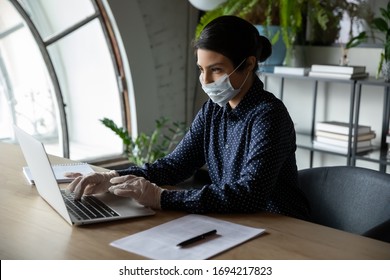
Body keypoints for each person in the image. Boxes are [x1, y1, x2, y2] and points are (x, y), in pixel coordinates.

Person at [67, 15, 309, 219]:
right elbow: (174, 166)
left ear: (248, 65)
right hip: (235, 222)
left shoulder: (269, 116)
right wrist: (112, 178)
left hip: (280, 226)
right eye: (202, 69)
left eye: (217, 69)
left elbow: (249, 195)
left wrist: (161, 198)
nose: (205, 81)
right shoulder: (212, 110)